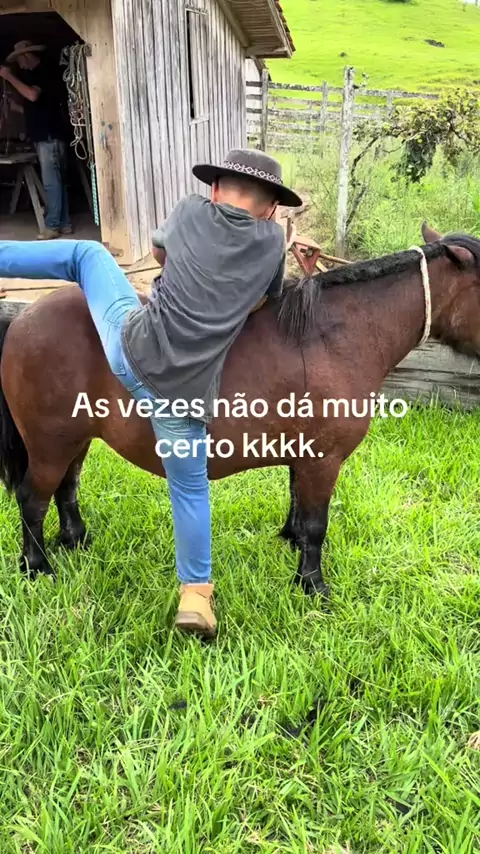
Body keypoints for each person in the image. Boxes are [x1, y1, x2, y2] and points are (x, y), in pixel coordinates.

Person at [0, 149, 302, 638]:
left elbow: (162, 255)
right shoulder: (271, 243)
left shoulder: (189, 211)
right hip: (185, 395)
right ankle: (196, 597)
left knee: (88, 255)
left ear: (215, 190)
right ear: (270, 209)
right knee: (190, 489)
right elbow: (266, 299)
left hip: (132, 355)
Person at [0, 39, 72, 240]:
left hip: (49, 137)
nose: (19, 65)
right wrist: (13, 106)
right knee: (58, 182)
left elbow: (32, 95)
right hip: (48, 136)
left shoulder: (44, 71)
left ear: (26, 56)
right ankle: (65, 223)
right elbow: (34, 108)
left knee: (51, 183)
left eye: (19, 60)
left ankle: (52, 225)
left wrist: (9, 77)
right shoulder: (34, 75)